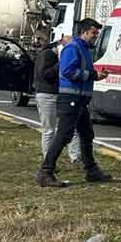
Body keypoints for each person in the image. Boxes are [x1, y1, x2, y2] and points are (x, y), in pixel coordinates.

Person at [36, 18, 112, 187]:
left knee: (86, 134)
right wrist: (92, 75)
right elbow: (67, 71)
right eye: (93, 33)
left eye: (97, 33)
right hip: (71, 98)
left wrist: (95, 75)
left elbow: (81, 71)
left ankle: (91, 170)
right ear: (83, 32)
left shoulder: (84, 49)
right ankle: (46, 172)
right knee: (64, 135)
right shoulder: (73, 48)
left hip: (80, 100)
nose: (96, 36)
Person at [33, 35, 81, 164]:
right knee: (49, 130)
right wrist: (62, 64)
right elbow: (45, 75)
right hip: (47, 94)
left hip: (58, 94)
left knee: (69, 127)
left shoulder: (52, 54)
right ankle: (48, 160)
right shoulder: (47, 54)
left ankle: (76, 157)